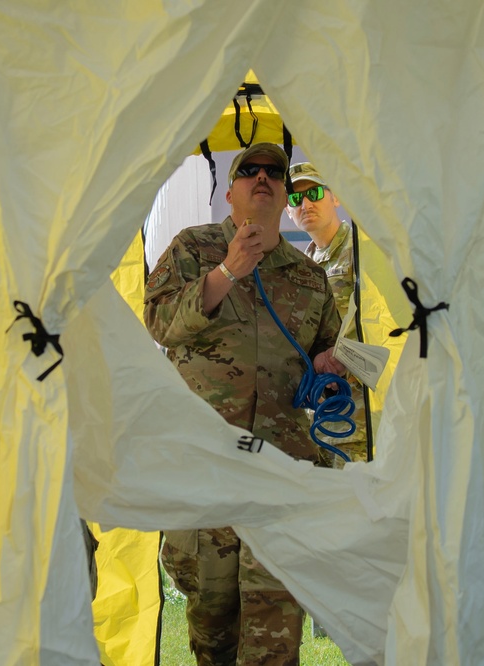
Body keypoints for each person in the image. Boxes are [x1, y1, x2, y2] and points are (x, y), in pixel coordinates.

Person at [144, 143, 344, 665]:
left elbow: (321, 352)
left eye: (274, 172)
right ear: (229, 192)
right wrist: (227, 271)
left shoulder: (309, 278)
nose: (263, 176)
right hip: (206, 474)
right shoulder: (193, 248)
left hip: (279, 474)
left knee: (274, 638)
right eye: (248, 170)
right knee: (213, 632)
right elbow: (162, 324)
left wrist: (326, 370)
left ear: (283, 195)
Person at [286, 162, 369, 465]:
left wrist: (343, 353)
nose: (306, 204)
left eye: (315, 192)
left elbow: (386, 321)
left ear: (335, 197)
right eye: (295, 199)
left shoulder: (361, 250)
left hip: (361, 417)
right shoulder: (302, 267)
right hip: (319, 419)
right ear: (287, 210)